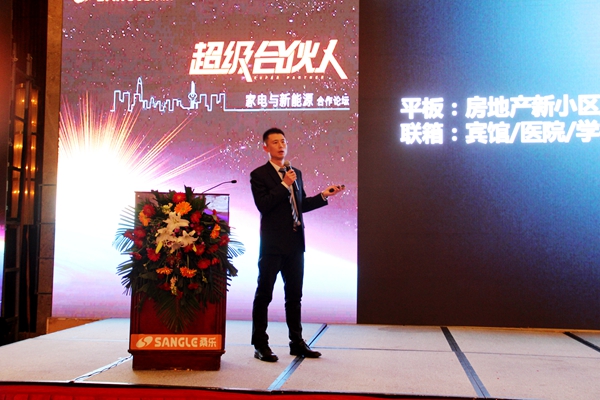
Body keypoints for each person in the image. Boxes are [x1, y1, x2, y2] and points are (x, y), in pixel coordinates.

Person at [250, 127, 344, 362]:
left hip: (295, 244)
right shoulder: (259, 175)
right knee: (264, 295)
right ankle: (260, 344)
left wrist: (323, 195)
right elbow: (264, 205)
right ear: (265, 147)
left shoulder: (295, 173)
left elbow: (299, 205)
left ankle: (297, 342)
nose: (281, 145)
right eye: (275, 142)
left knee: (294, 296)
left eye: (283, 141)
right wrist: (283, 185)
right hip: (272, 245)